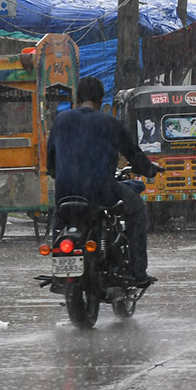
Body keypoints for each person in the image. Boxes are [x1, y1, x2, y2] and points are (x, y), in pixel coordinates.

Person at [47, 77, 161, 287]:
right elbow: (133, 154)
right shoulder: (110, 124)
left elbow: (50, 165)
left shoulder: (60, 122)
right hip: (101, 192)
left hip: (66, 193)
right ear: (100, 101)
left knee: (58, 219)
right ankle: (138, 272)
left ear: (77, 99)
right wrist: (150, 170)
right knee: (137, 209)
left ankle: (57, 273)